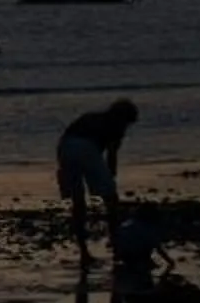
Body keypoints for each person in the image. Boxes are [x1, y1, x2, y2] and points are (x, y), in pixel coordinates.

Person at [53, 97, 139, 262]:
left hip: (65, 147)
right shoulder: (116, 126)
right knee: (111, 200)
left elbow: (67, 135)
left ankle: (84, 252)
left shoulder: (90, 117)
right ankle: (116, 246)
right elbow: (111, 154)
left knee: (78, 202)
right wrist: (110, 179)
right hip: (86, 148)